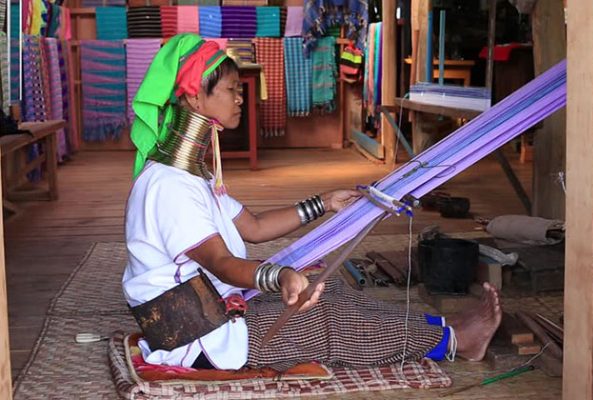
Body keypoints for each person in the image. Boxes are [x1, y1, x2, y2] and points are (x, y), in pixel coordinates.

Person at [123, 33, 502, 372]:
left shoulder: (192, 176)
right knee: (326, 319)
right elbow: (222, 264)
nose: (241, 97)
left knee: (330, 289)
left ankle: (435, 327)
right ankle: (455, 342)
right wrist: (282, 276)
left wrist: (325, 202)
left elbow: (253, 226)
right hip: (199, 339)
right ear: (193, 96)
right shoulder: (168, 186)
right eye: (231, 89)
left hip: (220, 311)